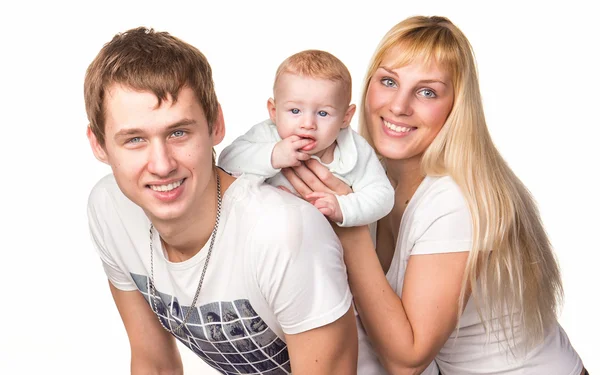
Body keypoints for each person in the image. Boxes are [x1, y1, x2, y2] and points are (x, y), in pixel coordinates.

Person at [281, 16, 587, 375]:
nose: (399, 106)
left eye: (427, 92)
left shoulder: (453, 199)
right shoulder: (371, 181)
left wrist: (349, 227)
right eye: (389, 81)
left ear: (456, 107)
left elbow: (407, 361)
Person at [84, 27, 357, 375]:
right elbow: (154, 363)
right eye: (135, 139)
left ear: (215, 124)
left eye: (178, 132)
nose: (163, 164)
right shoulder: (111, 210)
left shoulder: (280, 231)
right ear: (99, 145)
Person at [218, 50, 393, 227]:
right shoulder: (268, 135)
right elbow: (226, 162)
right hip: (270, 236)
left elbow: (383, 196)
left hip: (332, 247)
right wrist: (274, 155)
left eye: (323, 113)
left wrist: (342, 207)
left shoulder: (353, 149)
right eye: (295, 111)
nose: (308, 124)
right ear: (273, 111)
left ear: (346, 117)